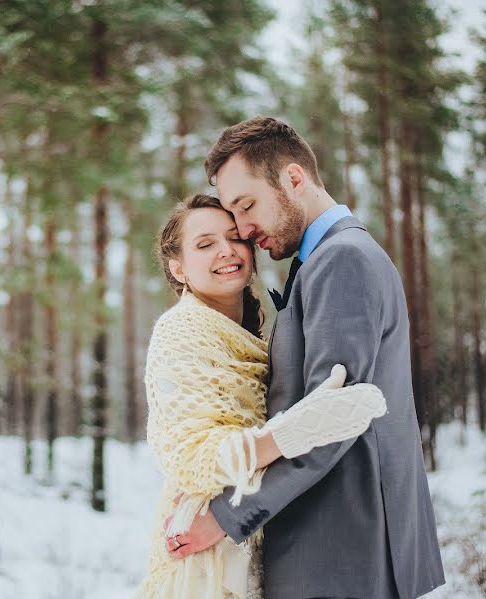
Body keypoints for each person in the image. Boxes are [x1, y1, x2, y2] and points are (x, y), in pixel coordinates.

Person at [168, 117, 446, 599]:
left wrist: (227, 516)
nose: (244, 229)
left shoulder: (342, 260)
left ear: (294, 179)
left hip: (341, 549)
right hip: (336, 545)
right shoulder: (323, 260)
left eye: (247, 205)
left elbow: (330, 422)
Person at [137, 194, 388, 598]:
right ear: (177, 268)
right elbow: (194, 458)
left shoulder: (254, 336)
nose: (226, 251)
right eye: (205, 245)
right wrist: (297, 431)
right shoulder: (180, 332)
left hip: (249, 529)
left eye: (235, 238)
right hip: (206, 549)